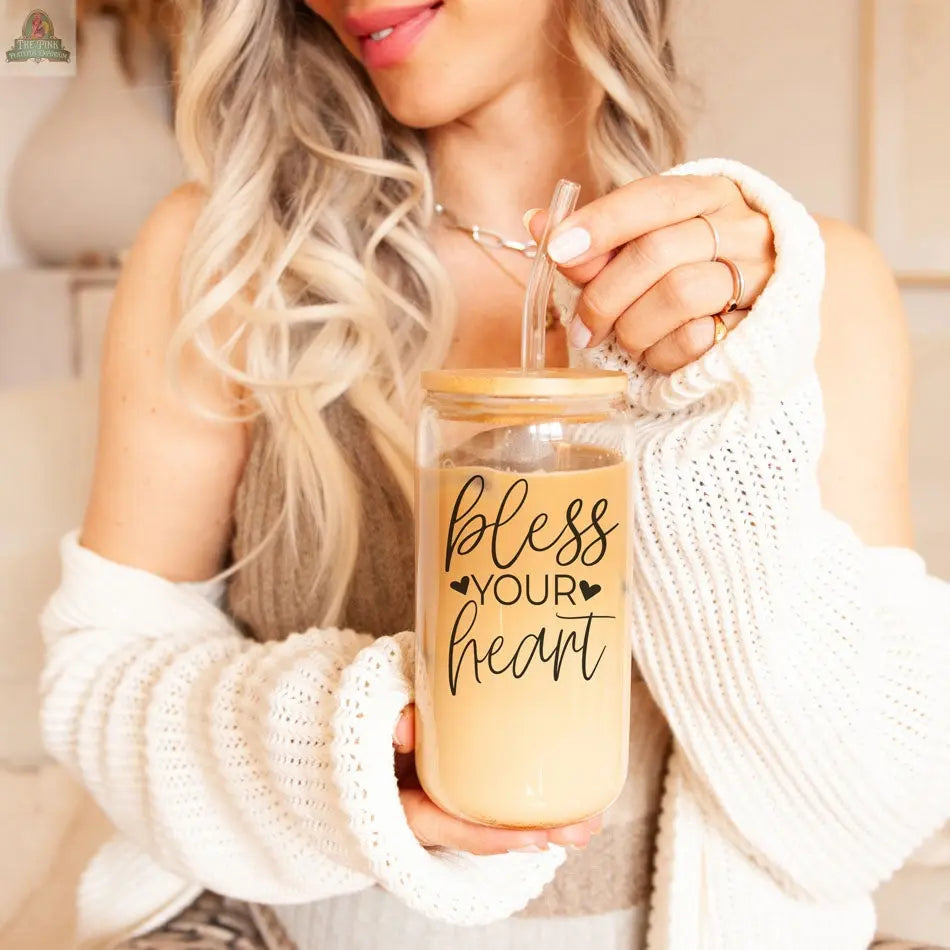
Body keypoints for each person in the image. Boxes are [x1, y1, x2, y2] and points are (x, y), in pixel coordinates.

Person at [38, 0, 950, 948]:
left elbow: (865, 813)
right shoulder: (228, 263)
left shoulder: (799, 294)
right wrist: (339, 746)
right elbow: (100, 683)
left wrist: (712, 430)